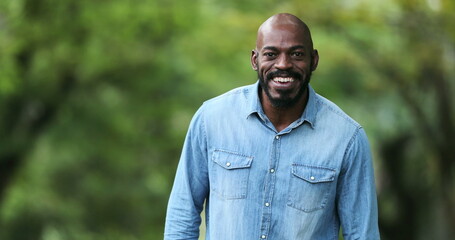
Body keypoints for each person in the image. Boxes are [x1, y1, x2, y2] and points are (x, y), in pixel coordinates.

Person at [164, 13, 380, 240]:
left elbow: (362, 234)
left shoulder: (347, 138)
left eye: (297, 54)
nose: (284, 64)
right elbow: (182, 217)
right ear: (255, 60)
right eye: (271, 54)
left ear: (313, 60)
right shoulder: (212, 119)